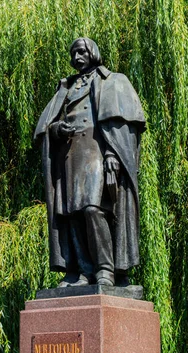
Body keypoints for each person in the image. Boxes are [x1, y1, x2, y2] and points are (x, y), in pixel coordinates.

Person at [34, 37, 146, 287]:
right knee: (71, 214)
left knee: (93, 209)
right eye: (73, 54)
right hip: (70, 156)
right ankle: (84, 271)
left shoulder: (114, 81)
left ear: (93, 51)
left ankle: (105, 269)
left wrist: (111, 155)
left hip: (97, 153)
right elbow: (45, 127)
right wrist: (56, 129)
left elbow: (122, 126)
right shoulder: (66, 88)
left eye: (81, 51)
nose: (76, 57)